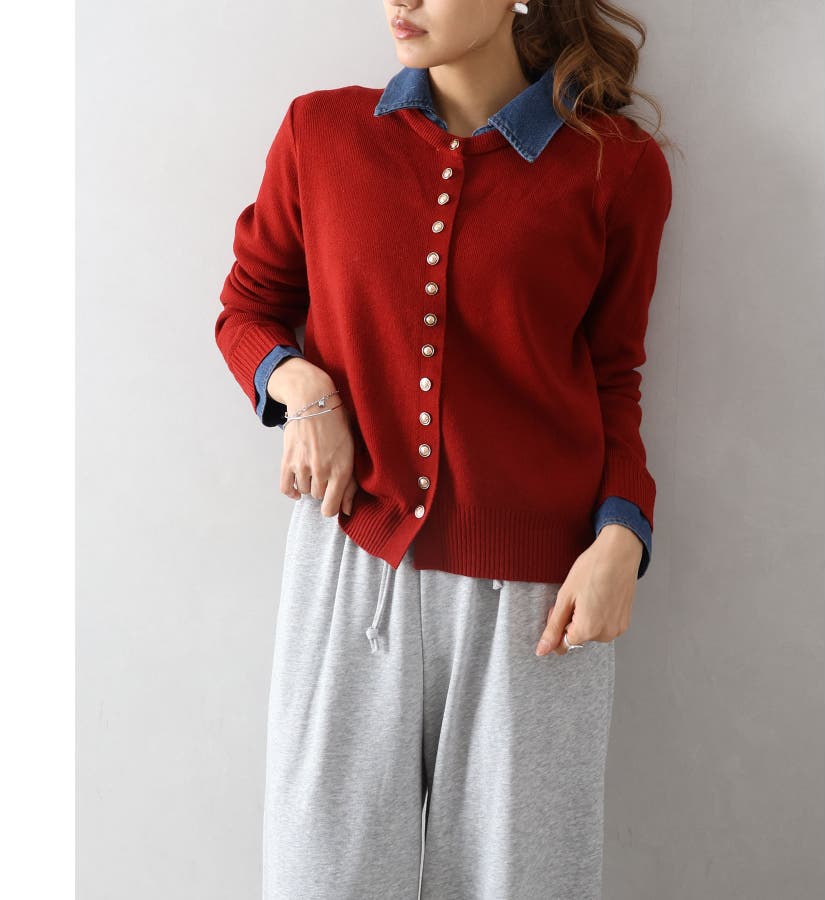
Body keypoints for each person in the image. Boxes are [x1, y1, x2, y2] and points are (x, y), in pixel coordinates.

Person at [215, 1, 673, 896]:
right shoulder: (322, 133)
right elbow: (248, 307)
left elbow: (614, 374)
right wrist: (304, 391)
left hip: (540, 605)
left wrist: (624, 537)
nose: (403, 1)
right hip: (351, 568)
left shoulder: (616, 167)